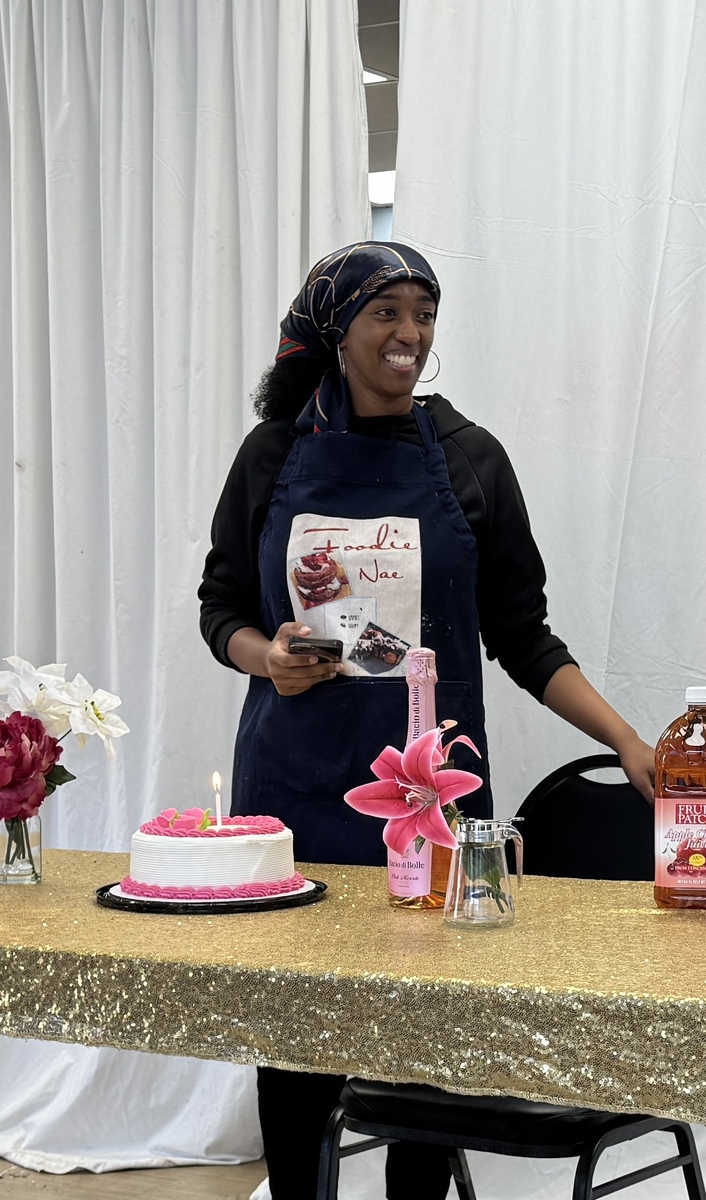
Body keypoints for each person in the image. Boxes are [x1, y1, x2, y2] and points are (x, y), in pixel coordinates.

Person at [199, 242, 654, 1200]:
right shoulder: (272, 455)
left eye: (424, 313)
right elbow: (221, 607)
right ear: (338, 328)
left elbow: (523, 636)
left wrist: (625, 742)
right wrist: (266, 657)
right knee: (296, 1035)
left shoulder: (470, 458)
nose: (410, 333)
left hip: (430, 799)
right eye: (387, 312)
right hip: (295, 788)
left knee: (426, 1040)